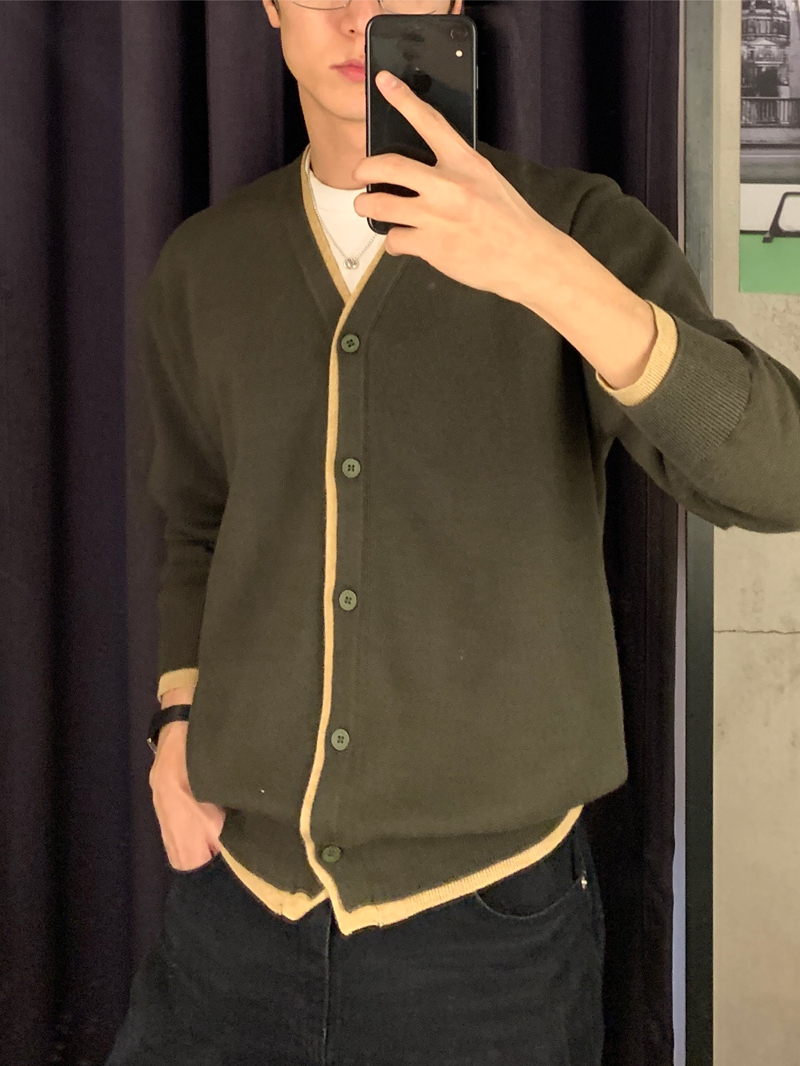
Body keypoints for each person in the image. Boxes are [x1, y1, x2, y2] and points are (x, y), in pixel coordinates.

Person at [106, 1, 800, 1063]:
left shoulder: (577, 225)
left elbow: (775, 475)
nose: (357, 15)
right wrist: (176, 716)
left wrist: (545, 270)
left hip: (491, 941)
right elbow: (196, 519)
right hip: (232, 912)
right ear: (270, 7)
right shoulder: (204, 264)